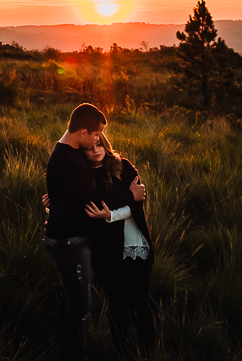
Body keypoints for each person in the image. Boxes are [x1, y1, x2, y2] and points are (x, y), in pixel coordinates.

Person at [44, 103, 145, 361]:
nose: (98, 140)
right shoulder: (69, 159)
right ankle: (72, 354)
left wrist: (56, 200)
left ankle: (63, 347)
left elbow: (73, 193)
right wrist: (130, 196)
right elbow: (92, 202)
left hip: (72, 239)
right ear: (82, 132)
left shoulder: (71, 152)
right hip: (69, 243)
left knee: (69, 300)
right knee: (78, 306)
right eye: (95, 135)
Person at [83, 134, 156, 358]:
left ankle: (151, 350)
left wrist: (110, 215)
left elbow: (137, 203)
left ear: (105, 143)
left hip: (135, 245)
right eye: (90, 147)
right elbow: (87, 208)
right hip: (106, 250)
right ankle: (122, 352)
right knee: (116, 304)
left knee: (139, 302)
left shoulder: (123, 166)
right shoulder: (83, 175)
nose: (96, 150)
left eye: (99, 144)